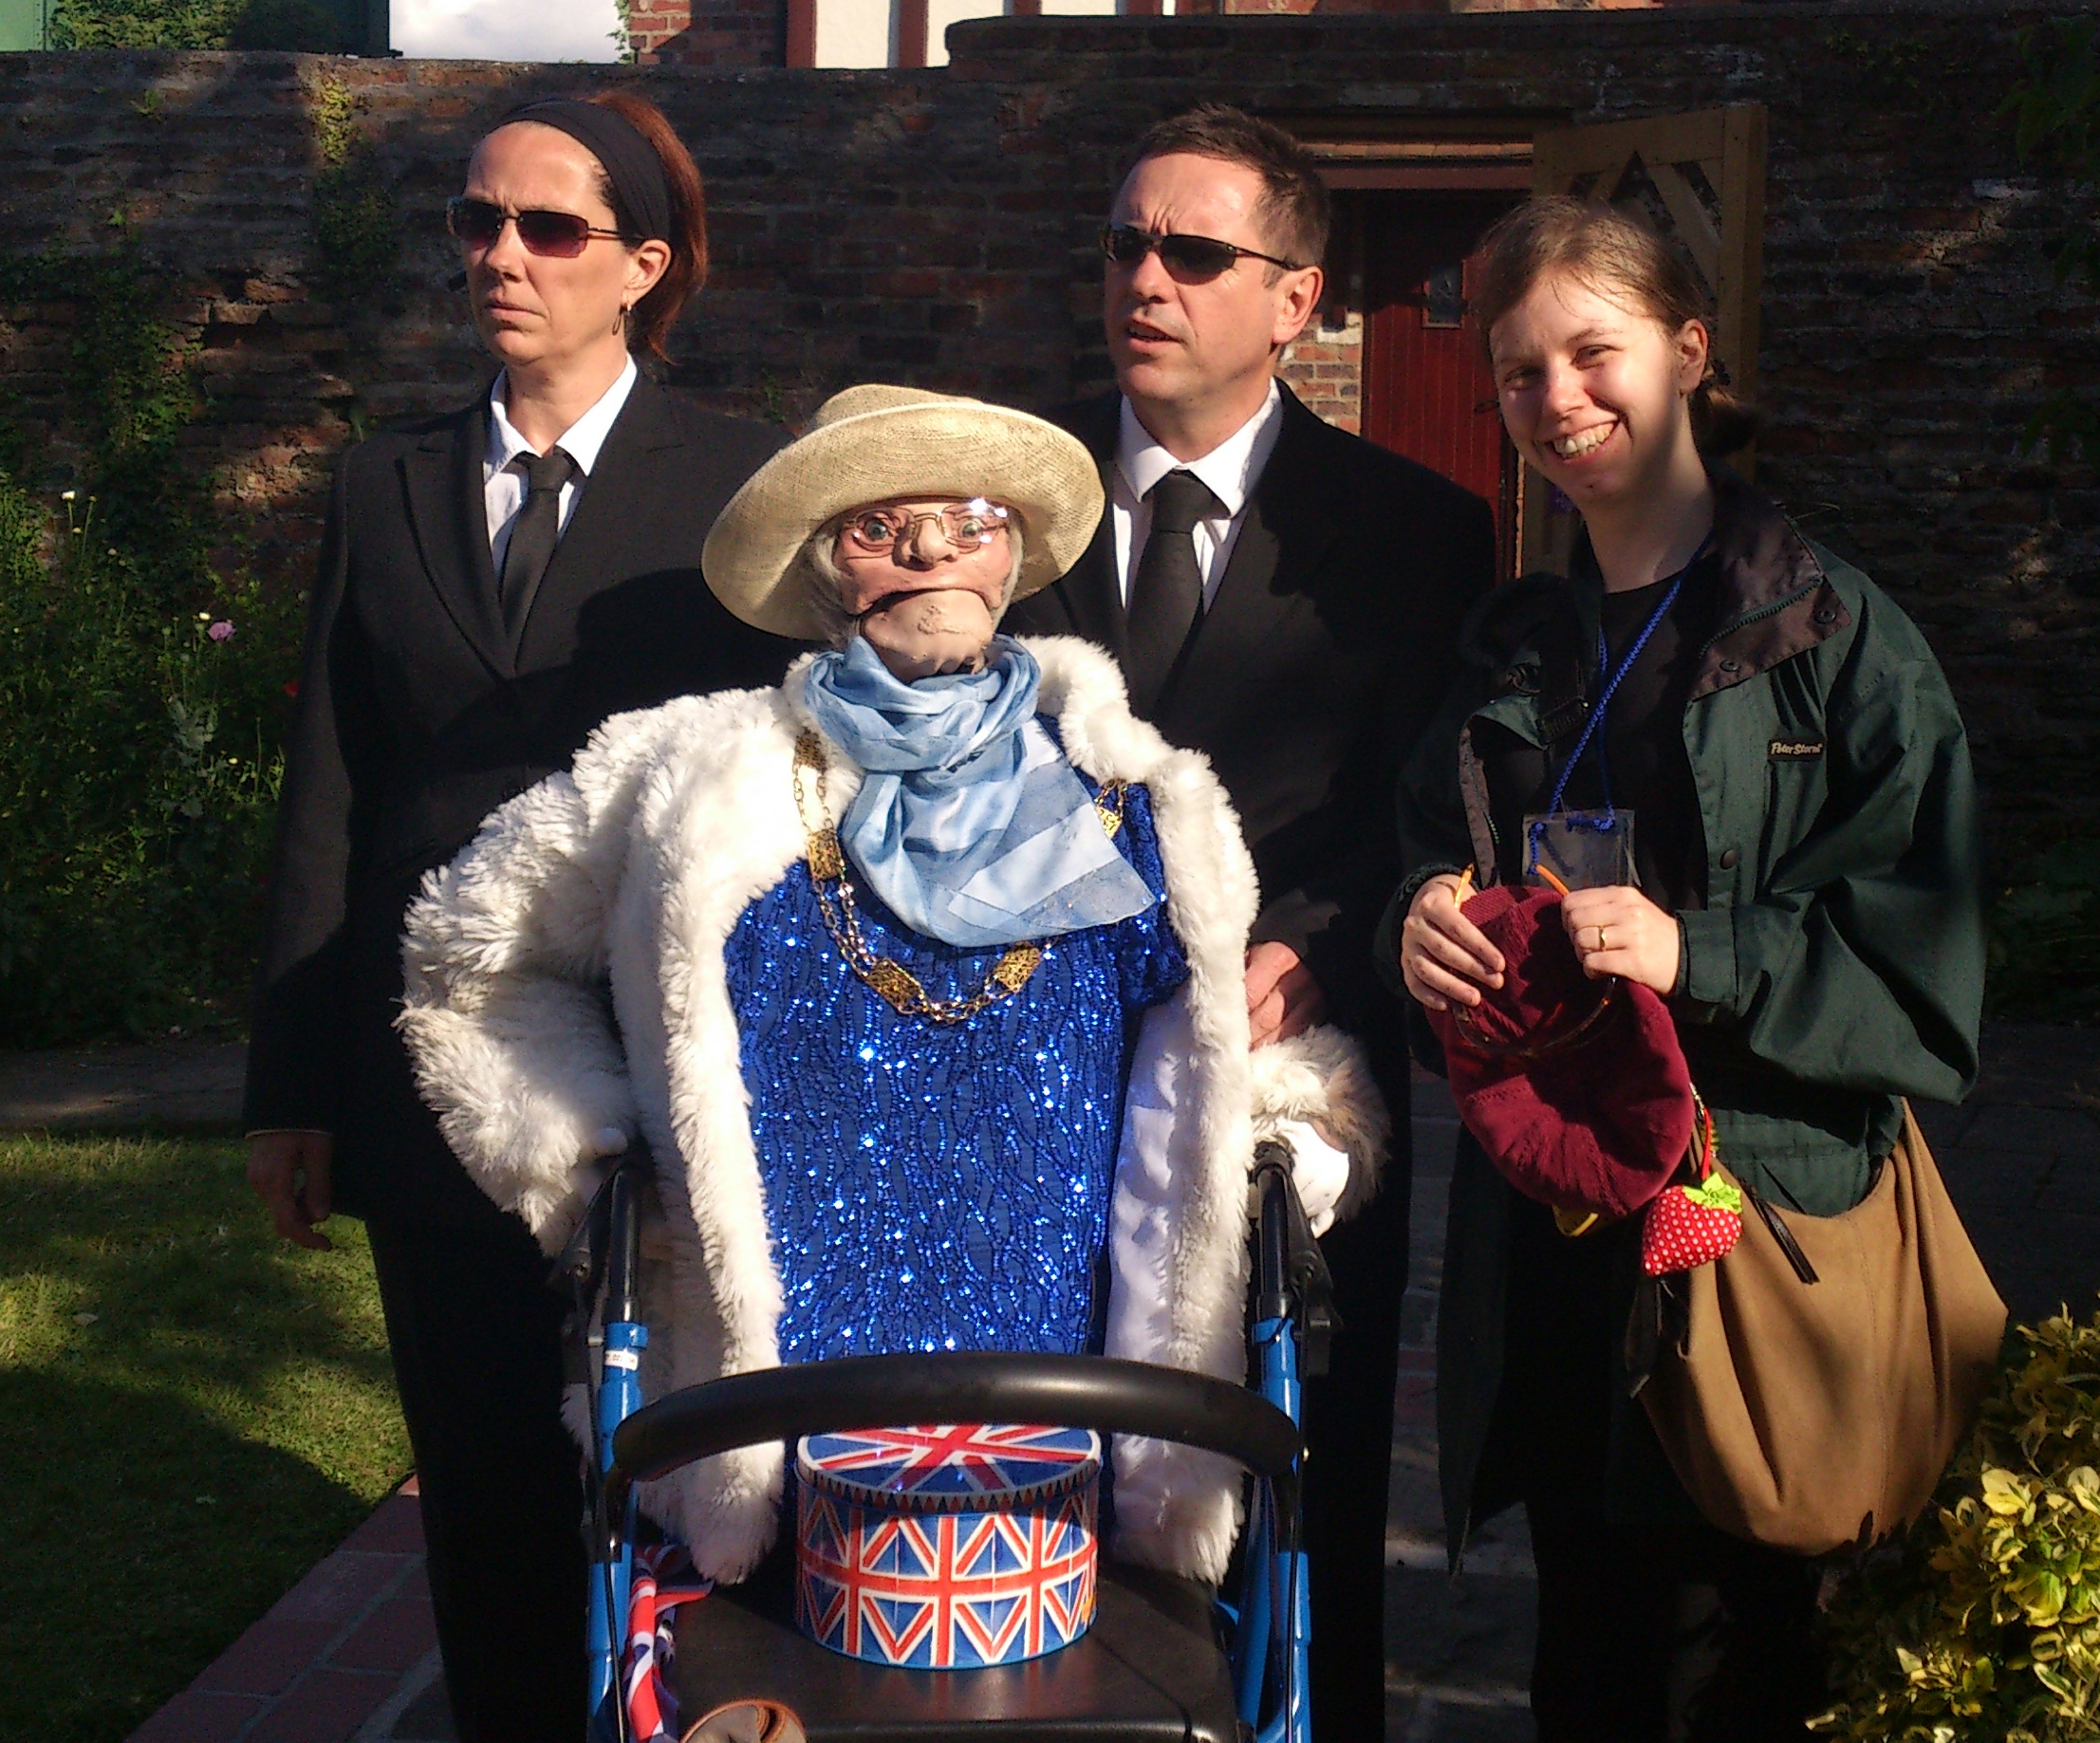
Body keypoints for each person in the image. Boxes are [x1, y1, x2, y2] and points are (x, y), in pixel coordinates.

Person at [399, 383, 1387, 1594]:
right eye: (880, 526)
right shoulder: (690, 774)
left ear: (1012, 554)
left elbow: (1202, 1051)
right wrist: (586, 1160)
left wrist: (1298, 1123)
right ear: (825, 568)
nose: (930, 548)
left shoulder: (1143, 799)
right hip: (766, 1410)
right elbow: (465, 952)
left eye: (969, 518)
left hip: (1071, 1408)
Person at [1386, 196, 1984, 1740]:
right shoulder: (1519, 644)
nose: (1558, 399)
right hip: (1558, 1230)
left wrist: (1690, 948)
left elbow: (1924, 977)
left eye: (1595, 352)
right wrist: (1420, 910)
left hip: (1747, 1230)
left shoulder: (1831, 637)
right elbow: (1429, 835)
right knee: (1584, 1654)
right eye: (1519, 372)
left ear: (1690, 351)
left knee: (1728, 1660)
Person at [241, 91, 795, 1741]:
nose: (501, 255)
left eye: (549, 227)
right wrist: (293, 1083)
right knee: (482, 1488)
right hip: (433, 1071)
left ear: (644, 264)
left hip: (668, 1075)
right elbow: (332, 786)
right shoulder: (384, 481)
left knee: (695, 1488)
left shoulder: (740, 485)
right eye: (477, 219)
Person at [1005, 103, 1495, 1737]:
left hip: (1291, 1080)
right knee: (1039, 1491)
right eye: (1125, 243)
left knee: (1296, 1508)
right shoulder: (1007, 495)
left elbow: (1428, 811)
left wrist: (1329, 943)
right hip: (1030, 1079)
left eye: (1193, 252)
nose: (1145, 279)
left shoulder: (1415, 531)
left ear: (1295, 298)